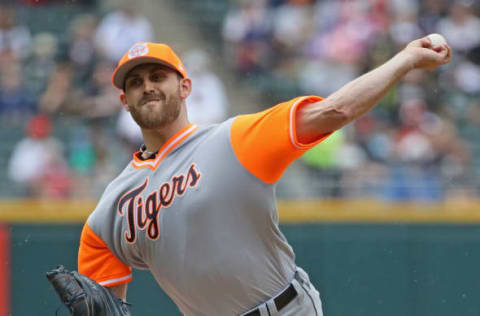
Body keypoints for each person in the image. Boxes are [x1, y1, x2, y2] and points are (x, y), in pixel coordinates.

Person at [77, 38, 450, 315]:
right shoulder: (109, 213)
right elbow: (104, 303)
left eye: (158, 76)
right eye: (135, 82)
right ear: (124, 100)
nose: (147, 86)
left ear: (185, 86)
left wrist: (405, 60)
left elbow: (335, 110)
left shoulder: (235, 140)